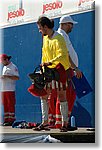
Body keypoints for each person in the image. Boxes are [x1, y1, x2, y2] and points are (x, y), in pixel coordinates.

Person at [35, 16, 71, 132]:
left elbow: (62, 55)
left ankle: (65, 123)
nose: (39, 30)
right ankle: (45, 122)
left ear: (45, 27)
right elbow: (43, 53)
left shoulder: (59, 38)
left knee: (62, 96)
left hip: (59, 70)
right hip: (48, 71)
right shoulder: (45, 38)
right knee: (44, 95)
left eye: (40, 28)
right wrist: (42, 66)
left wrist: (50, 62)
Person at [48, 15, 82, 129]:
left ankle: (63, 122)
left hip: (68, 69)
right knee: (65, 95)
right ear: (65, 24)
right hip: (66, 70)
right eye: (71, 24)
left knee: (68, 96)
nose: (72, 27)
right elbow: (66, 55)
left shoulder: (63, 36)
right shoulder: (61, 36)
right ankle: (61, 123)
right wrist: (74, 68)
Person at [0, 54, 19, 126]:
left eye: (2, 61)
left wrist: (7, 76)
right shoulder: (5, 67)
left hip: (10, 89)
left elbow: (17, 77)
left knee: (10, 104)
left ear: (6, 59)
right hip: (3, 89)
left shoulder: (13, 67)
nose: (2, 63)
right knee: (5, 104)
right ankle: (6, 119)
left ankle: (11, 119)